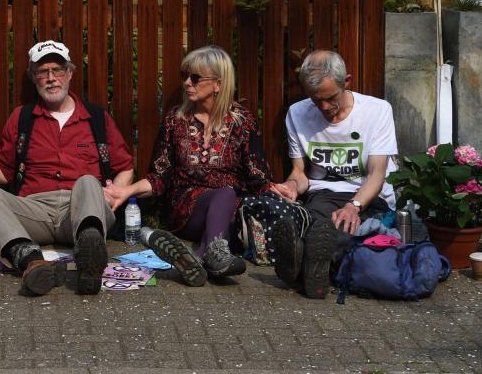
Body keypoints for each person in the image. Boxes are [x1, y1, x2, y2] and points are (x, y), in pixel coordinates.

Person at [0, 40, 134, 296]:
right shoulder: (22, 117)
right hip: (36, 209)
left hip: (82, 208)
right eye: (42, 72)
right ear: (33, 78)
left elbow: (124, 166)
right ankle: (31, 263)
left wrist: (116, 193)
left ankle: (88, 254)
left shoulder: (96, 117)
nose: (51, 78)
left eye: (57, 70)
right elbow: (2, 173)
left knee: (87, 181)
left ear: (70, 73)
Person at [106, 46, 274, 283]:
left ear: (218, 83)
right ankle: (215, 255)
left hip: (231, 211)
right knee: (224, 193)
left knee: (228, 197)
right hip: (187, 208)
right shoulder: (175, 120)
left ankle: (199, 257)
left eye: (195, 78)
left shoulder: (242, 121)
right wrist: (127, 190)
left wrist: (278, 191)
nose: (187, 83)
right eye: (184, 76)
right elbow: (159, 176)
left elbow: (257, 175)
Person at [271, 50, 398, 299]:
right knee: (319, 225)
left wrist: (354, 206)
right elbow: (300, 173)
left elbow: (377, 174)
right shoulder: (297, 113)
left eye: (330, 98)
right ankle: (314, 272)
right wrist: (291, 186)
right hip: (324, 194)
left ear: (346, 81)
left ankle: (303, 269)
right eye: (316, 100)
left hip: (368, 197)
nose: (324, 107)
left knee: (343, 227)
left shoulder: (378, 110)